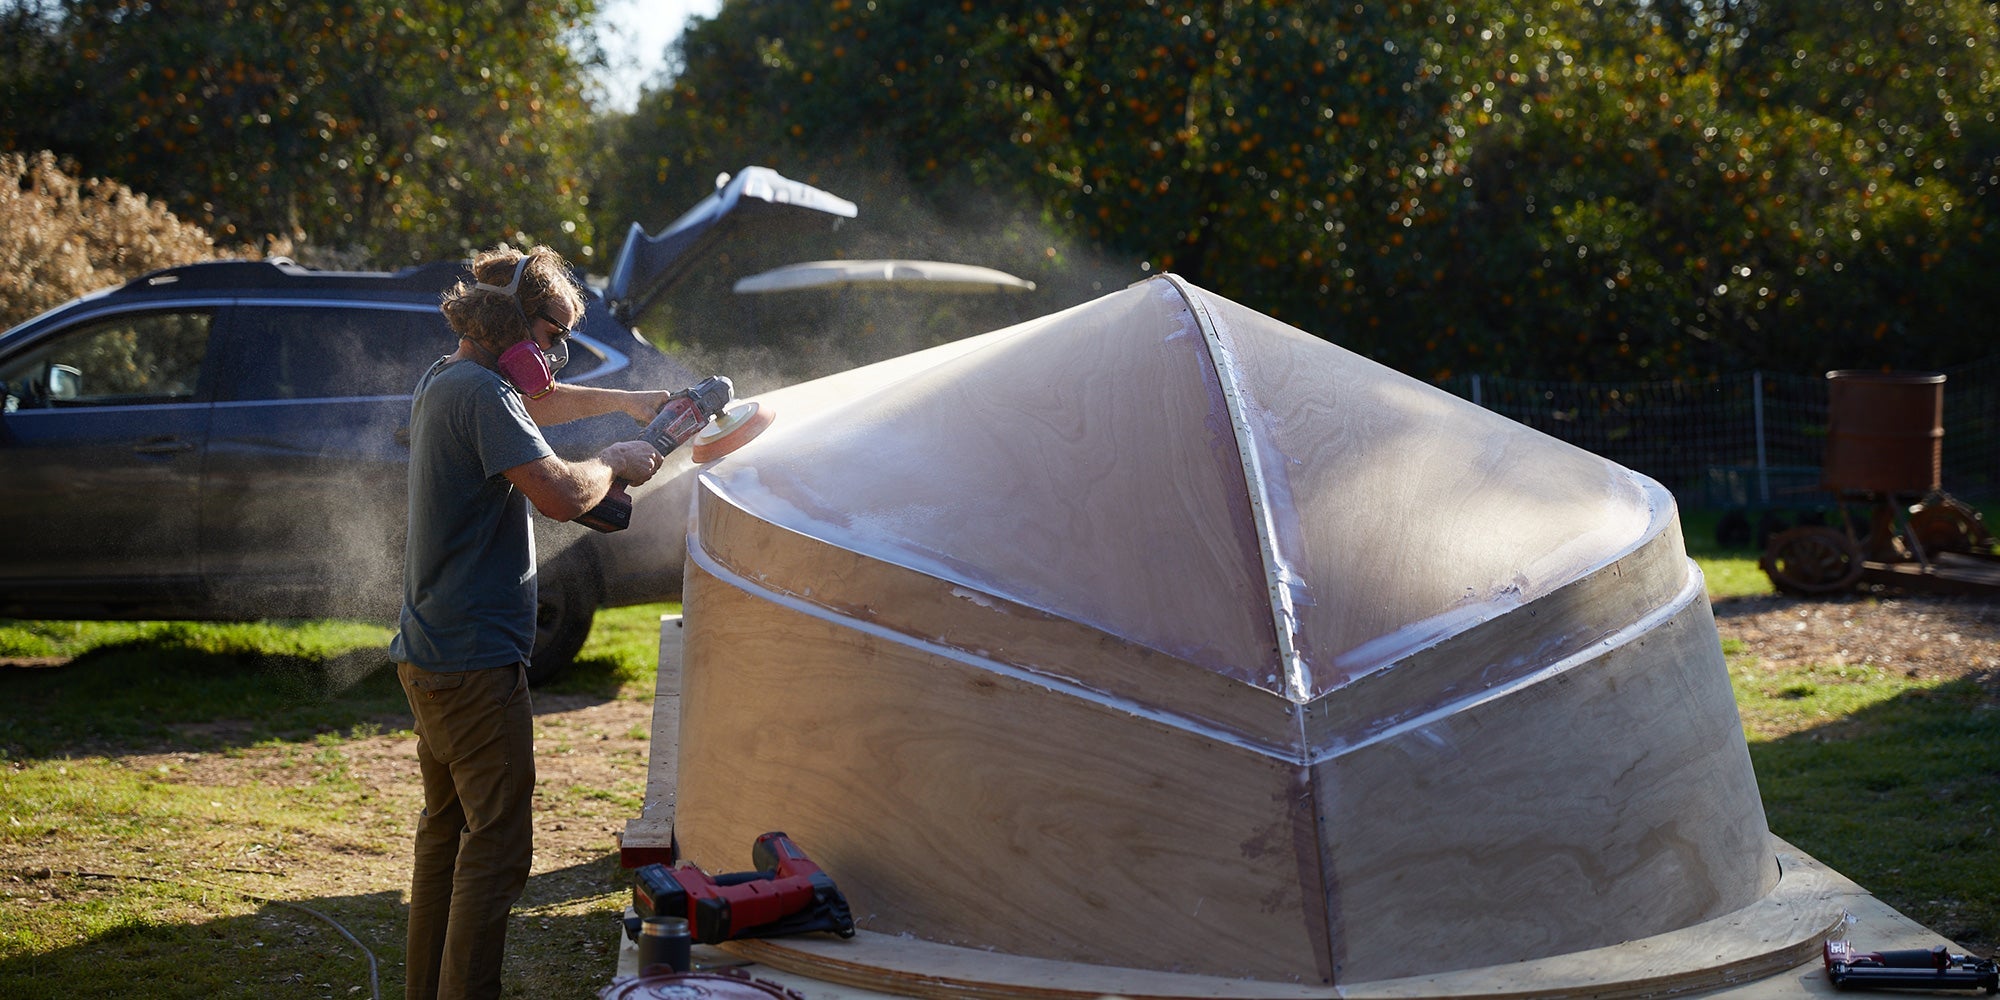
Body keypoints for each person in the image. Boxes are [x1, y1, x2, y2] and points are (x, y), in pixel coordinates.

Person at [389, 245, 671, 1000]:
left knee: (446, 837)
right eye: (552, 336)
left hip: (434, 653)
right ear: (515, 326)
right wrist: (616, 459)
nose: (556, 353)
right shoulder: (482, 396)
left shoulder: (451, 378)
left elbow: (536, 403)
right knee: (499, 852)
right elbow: (558, 492)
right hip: (475, 662)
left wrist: (634, 404)